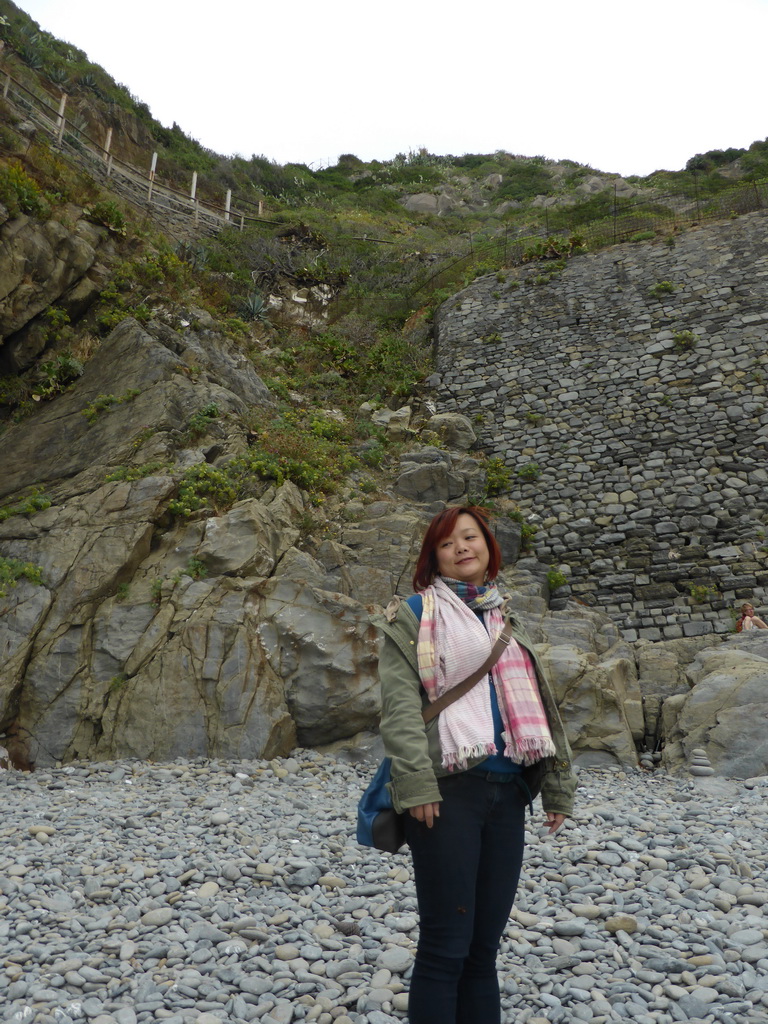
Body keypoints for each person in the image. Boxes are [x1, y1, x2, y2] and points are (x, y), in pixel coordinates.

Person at [375, 505, 576, 1024]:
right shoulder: (414, 614)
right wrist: (416, 784)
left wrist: (556, 785)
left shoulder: (506, 617)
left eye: (471, 538)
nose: (462, 548)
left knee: (484, 951)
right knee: (446, 946)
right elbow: (399, 708)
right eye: (448, 542)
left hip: (509, 794)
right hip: (447, 793)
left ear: (488, 546)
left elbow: (540, 704)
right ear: (433, 556)